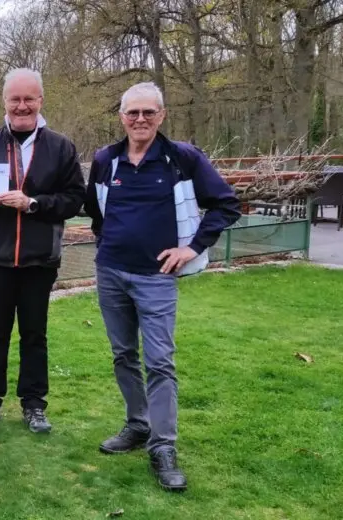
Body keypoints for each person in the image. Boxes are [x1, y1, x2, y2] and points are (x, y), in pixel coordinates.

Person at [84, 81, 240, 492]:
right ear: (121, 117)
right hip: (111, 273)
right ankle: (137, 425)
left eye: (148, 112)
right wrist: (108, 245)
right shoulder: (105, 160)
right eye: (132, 112)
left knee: (159, 362)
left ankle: (163, 447)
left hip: (156, 278)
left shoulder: (182, 158)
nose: (140, 119)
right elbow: (95, 213)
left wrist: (192, 248)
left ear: (162, 115)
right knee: (123, 355)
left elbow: (226, 204)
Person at [0, 68, 86, 433]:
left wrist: (33, 203)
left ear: (40, 101)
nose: (21, 106)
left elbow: (74, 199)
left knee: (34, 335)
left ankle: (34, 405)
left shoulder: (60, 146)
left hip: (39, 259)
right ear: (4, 101)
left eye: (28, 99)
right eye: (14, 99)